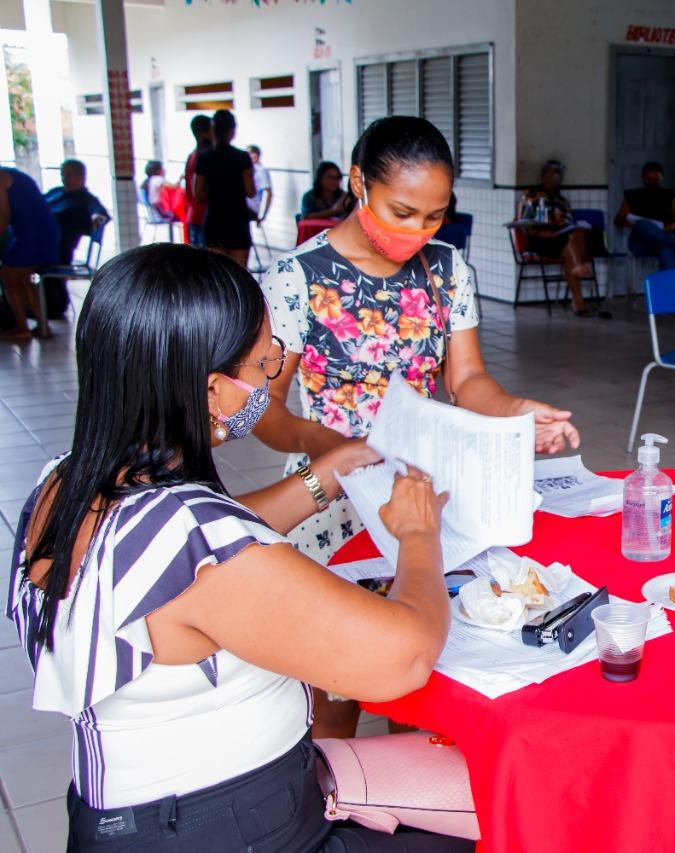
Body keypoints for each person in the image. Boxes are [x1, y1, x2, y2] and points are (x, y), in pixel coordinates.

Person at [6, 242, 474, 851]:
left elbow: (189, 555)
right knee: (510, 812)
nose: (272, 373)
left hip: (129, 817)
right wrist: (418, 536)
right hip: (226, 827)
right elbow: (404, 657)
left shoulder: (64, 483)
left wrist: (325, 474)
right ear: (209, 392)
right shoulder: (194, 535)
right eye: (263, 363)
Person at [258, 116, 580, 738]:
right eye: (402, 212)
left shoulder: (447, 270)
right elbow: (267, 412)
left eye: (434, 216)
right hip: (331, 504)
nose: (417, 231)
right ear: (358, 183)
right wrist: (322, 444)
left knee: (420, 668)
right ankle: (341, 815)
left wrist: (513, 409)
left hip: (421, 501)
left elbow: (468, 382)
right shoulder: (298, 279)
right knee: (337, 687)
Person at [519, 160, 597, 317]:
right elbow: (524, 223)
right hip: (540, 239)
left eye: (555, 175)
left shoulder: (563, 201)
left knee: (577, 236)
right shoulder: (531, 196)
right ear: (542, 177)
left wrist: (561, 223)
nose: (551, 179)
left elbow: (568, 221)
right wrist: (545, 229)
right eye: (548, 175)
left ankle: (578, 299)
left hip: (560, 239)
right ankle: (579, 268)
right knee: (571, 246)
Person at [42, 159, 111, 318]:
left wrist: (96, 220)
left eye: (69, 174)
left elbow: (100, 215)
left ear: (81, 176)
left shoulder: (86, 200)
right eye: (63, 174)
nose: (65, 178)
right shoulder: (56, 192)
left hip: (58, 250)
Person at [0, 168, 61, 340]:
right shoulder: (11, 174)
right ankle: (42, 326)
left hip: (34, 235)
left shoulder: (1, 178)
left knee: (8, 276)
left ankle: (22, 329)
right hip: (42, 232)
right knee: (24, 278)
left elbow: (3, 217)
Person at [194, 109, 255, 267]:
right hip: (237, 219)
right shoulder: (242, 157)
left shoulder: (204, 157)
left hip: (215, 219)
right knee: (239, 273)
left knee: (217, 275)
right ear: (232, 131)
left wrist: (216, 190)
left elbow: (198, 194)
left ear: (213, 130)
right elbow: (250, 191)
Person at [613, 161, 675, 271]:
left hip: (663, 241)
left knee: (667, 253)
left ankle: (666, 287)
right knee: (643, 224)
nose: (652, 183)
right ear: (643, 179)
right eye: (649, 180)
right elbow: (618, 220)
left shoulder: (670, 195)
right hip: (641, 243)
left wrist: (670, 227)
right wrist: (632, 224)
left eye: (656, 180)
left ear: (662, 178)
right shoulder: (632, 195)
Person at [183, 114, 213, 248]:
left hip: (193, 215)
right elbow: (200, 192)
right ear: (204, 133)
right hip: (205, 216)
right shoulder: (205, 157)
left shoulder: (192, 155)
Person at [247, 144, 273, 223]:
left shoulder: (261, 170)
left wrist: (264, 214)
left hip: (251, 208)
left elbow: (269, 193)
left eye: (251, 154)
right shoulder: (248, 169)